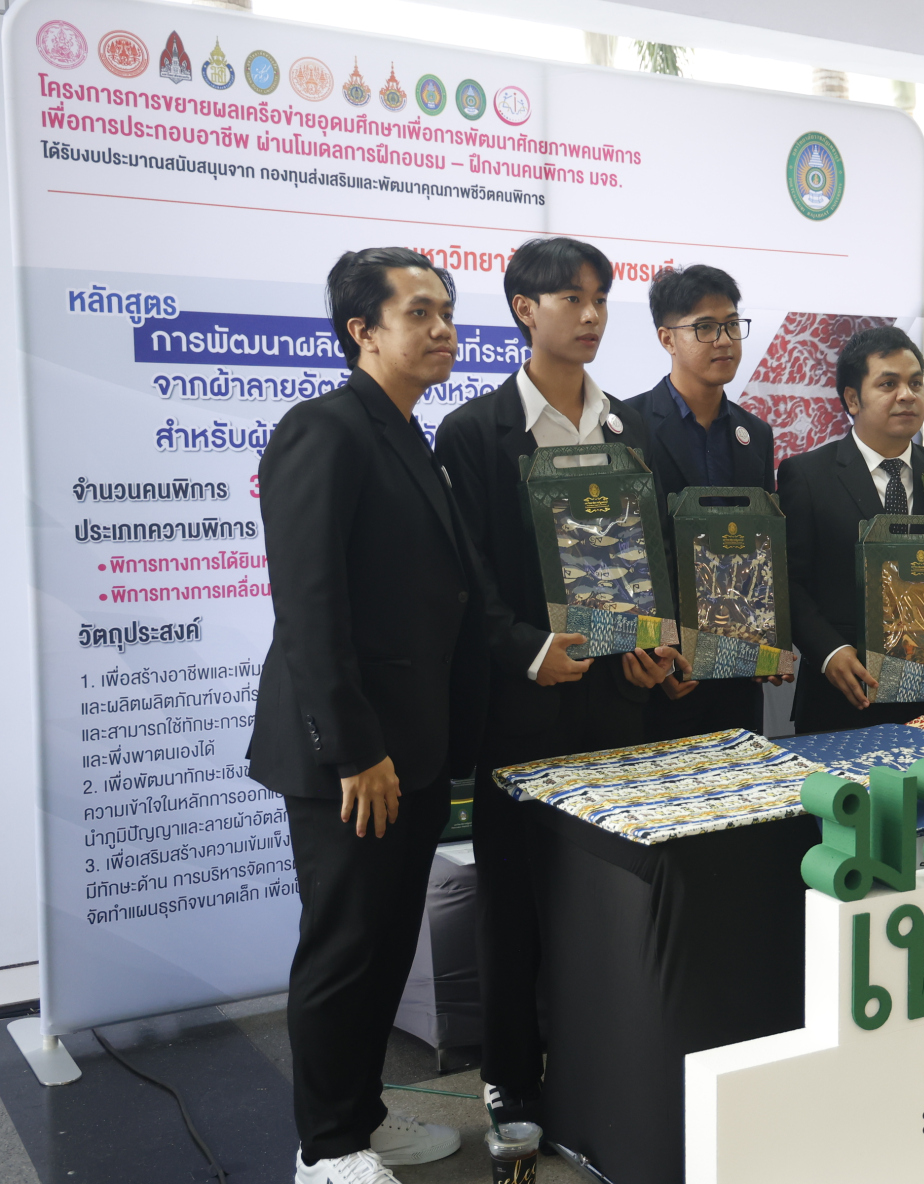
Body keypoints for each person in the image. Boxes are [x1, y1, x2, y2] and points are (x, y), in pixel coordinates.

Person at [435, 237, 683, 1129]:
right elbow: (466, 579)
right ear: (523, 309)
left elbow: (652, 563)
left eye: (600, 299)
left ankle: (603, 1065)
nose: (590, 315)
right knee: (514, 901)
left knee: (608, 896)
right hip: (524, 706)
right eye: (571, 298)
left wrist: (657, 647)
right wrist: (526, 650)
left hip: (618, 701)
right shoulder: (476, 432)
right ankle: (511, 1075)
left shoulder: (630, 429)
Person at [250, 248, 483, 1184]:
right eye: (419, 311)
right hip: (352, 758)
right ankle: (326, 1147)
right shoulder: (325, 430)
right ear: (363, 330)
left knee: (387, 943)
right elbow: (310, 608)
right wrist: (355, 750)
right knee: (345, 947)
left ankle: (363, 1116)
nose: (442, 328)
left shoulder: (407, 434)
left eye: (447, 310)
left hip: (410, 748)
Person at [776, 325, 924, 733]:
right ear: (852, 399)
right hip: (844, 696)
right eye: (888, 384)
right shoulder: (807, 476)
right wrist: (829, 651)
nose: (907, 395)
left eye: (916, 383)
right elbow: (788, 581)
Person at [625, 264, 783, 738]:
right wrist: (657, 655)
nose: (725, 340)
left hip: (739, 669)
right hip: (662, 673)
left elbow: (762, 549)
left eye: (732, 325)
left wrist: (766, 640)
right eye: (705, 328)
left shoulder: (754, 433)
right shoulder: (629, 425)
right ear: (667, 339)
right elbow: (629, 555)